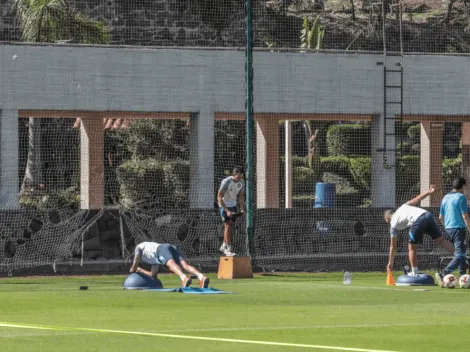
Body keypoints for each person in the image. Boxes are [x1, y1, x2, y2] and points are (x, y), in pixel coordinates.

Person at [384, 185, 454, 276]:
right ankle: (459, 256)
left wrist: (390, 262)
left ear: (387, 218)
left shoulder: (392, 225)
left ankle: (414, 272)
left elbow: (393, 246)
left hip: (417, 220)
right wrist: (429, 192)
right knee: (441, 240)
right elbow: (415, 200)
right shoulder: (403, 206)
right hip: (427, 214)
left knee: (412, 247)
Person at [435, 177, 470, 286]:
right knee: (460, 254)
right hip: (458, 229)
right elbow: (465, 216)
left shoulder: (445, 197)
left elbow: (440, 217)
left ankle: (462, 277)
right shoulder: (461, 198)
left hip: (449, 229)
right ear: (463, 186)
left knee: (460, 253)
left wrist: (447, 227)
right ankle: (444, 272)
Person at [129, 242, 209, 288]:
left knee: (171, 264)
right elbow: (153, 276)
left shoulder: (138, 248)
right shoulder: (153, 260)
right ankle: (202, 277)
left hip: (161, 249)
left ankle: (184, 278)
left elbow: (136, 259)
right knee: (184, 265)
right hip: (168, 247)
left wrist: (133, 268)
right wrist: (141, 270)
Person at [217, 166, 245, 257]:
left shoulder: (241, 182)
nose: (240, 179)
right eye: (238, 177)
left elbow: (241, 197)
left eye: (241, 177)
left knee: (229, 226)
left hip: (233, 206)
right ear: (234, 174)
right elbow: (219, 197)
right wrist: (226, 210)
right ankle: (228, 249)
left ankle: (224, 245)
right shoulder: (227, 182)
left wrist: (241, 209)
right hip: (224, 205)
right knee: (228, 225)